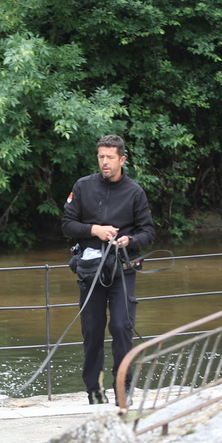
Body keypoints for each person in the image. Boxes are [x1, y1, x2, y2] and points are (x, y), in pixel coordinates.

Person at [62, 135, 155, 405]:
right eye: (101, 156)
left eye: (110, 157)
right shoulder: (82, 186)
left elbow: (148, 232)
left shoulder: (135, 192)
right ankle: (94, 391)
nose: (105, 162)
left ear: (122, 159)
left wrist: (129, 240)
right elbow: (67, 224)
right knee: (92, 330)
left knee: (121, 327)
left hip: (122, 270)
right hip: (90, 272)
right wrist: (94, 230)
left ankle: (123, 390)